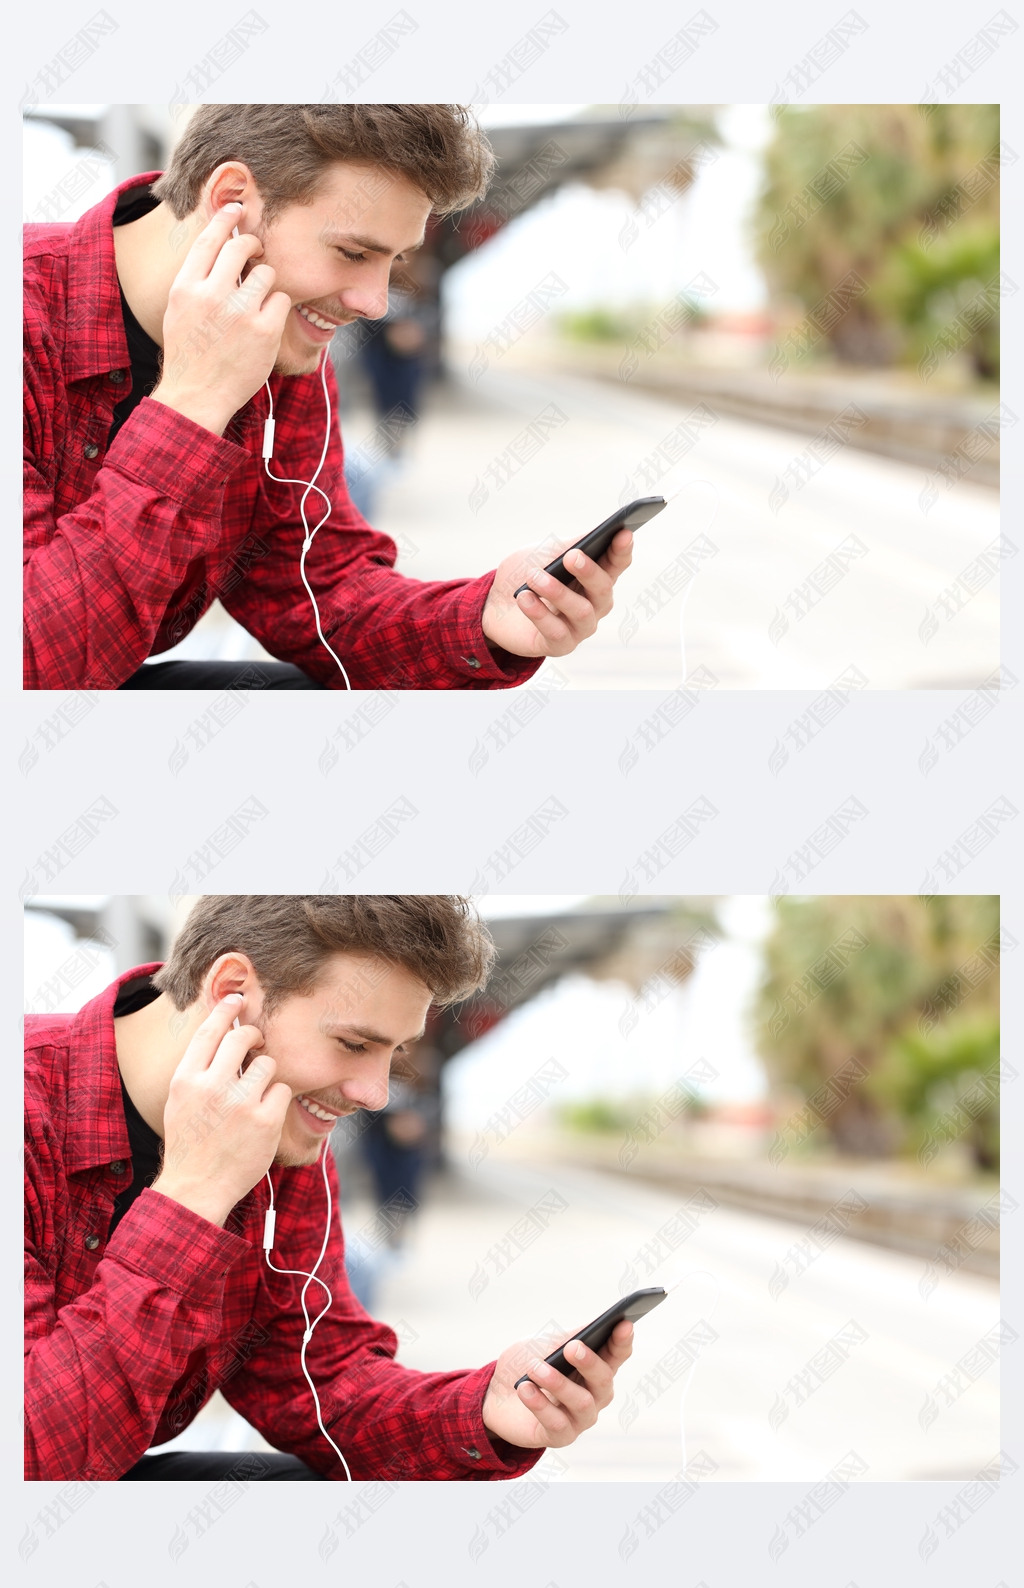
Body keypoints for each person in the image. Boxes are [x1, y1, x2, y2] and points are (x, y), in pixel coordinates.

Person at [24, 896, 634, 1480]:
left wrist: (487, 1411)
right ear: (232, 993)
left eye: (392, 1053)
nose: (376, 1094)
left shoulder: (284, 1139)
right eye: (353, 1044)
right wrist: (193, 1194)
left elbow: (322, 1385)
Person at [23, 105, 633, 689]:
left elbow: (321, 593)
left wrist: (487, 618)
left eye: (392, 261)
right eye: (352, 252)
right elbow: (31, 667)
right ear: (231, 203)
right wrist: (192, 404)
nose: (374, 302)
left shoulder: (284, 347)